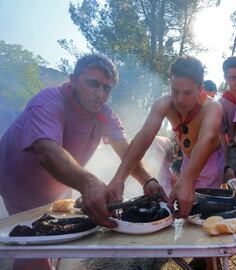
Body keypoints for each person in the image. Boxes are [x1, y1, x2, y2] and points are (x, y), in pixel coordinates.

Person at [0, 54, 153, 270]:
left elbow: (128, 153)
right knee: (35, 244)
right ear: (73, 80)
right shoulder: (49, 101)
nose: (100, 94)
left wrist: (148, 180)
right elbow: (47, 151)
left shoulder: (105, 114)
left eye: (107, 88)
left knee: (64, 238)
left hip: (61, 183)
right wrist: (90, 184)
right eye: (93, 84)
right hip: (18, 182)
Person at [107, 56, 223, 219]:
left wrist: (186, 181)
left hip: (210, 162)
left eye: (187, 92)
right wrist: (119, 179)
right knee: (175, 206)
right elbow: (143, 137)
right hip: (188, 159)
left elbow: (208, 139)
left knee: (197, 212)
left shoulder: (212, 107)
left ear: (200, 89)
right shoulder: (163, 103)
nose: (180, 99)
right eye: (175, 91)